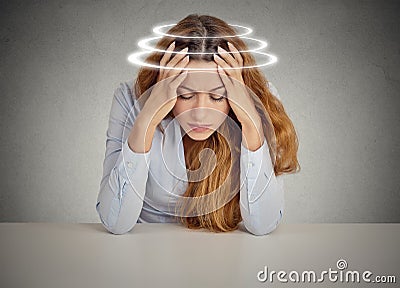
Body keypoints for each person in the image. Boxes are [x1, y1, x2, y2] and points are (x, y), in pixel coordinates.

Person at [96, 14, 300, 236]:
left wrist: (250, 121)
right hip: (148, 251)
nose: (201, 114)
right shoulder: (129, 98)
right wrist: (148, 117)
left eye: (217, 97)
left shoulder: (260, 99)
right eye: (185, 96)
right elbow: (114, 221)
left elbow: (263, 225)